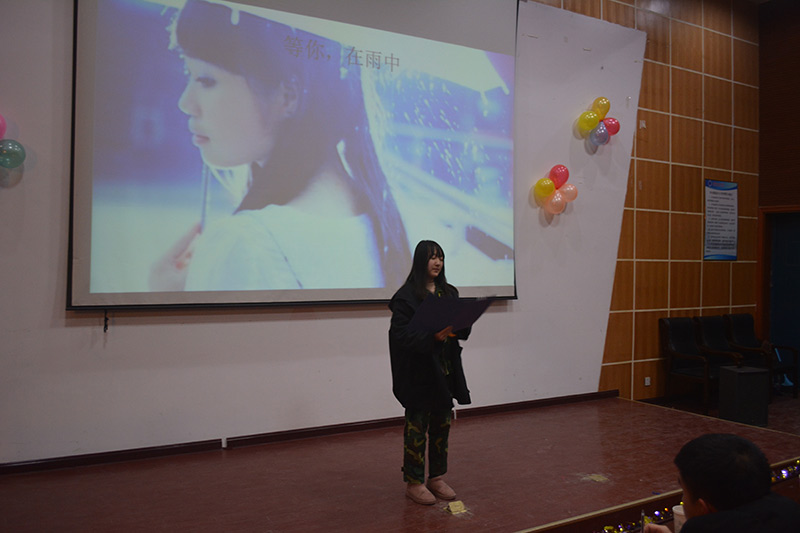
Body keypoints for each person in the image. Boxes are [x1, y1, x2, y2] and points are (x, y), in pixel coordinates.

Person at [149, 0, 410, 292]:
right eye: (189, 75)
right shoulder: (393, 223)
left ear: (287, 97)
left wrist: (166, 301)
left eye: (206, 80)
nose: (185, 103)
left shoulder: (244, 245)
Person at [388, 240, 472, 505]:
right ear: (420, 261)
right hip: (419, 375)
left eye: (441, 258)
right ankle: (414, 482)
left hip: (444, 372)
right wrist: (431, 337)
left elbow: (461, 329)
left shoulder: (449, 292)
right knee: (416, 429)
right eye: (432, 257)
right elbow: (400, 335)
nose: (437, 262)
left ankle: (436, 477)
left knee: (441, 427)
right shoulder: (406, 297)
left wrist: (459, 325)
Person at [644, 433, 800, 533]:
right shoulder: (789, 512)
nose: (683, 499)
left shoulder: (699, 528)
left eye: (684, 492)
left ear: (702, 508)